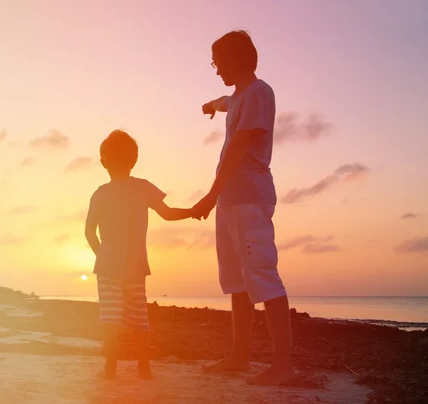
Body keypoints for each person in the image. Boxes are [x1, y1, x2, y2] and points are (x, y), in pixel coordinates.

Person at [192, 30, 296, 386]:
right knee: (237, 282)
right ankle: (239, 356)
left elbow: (238, 149)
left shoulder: (259, 93)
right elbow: (225, 101)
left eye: (217, 61)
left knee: (263, 277)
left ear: (235, 59)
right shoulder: (237, 98)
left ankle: (282, 365)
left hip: (249, 198)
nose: (216, 68)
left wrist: (209, 195)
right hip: (230, 201)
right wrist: (210, 105)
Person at [85, 129, 195, 380]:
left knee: (110, 318)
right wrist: (193, 211)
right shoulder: (143, 187)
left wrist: (102, 255)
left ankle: (111, 368)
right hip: (134, 267)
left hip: (110, 268)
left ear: (103, 162)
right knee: (139, 319)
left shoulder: (100, 193)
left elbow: (89, 231)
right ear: (134, 160)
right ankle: (143, 367)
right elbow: (167, 213)